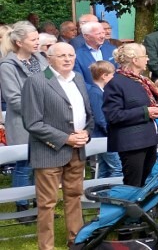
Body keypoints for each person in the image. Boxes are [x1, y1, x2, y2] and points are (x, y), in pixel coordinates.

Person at [20, 42, 93, 250]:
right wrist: (66, 138)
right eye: (62, 56)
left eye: (71, 55)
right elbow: (33, 123)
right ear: (49, 58)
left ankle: (76, 241)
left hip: (77, 150)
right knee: (47, 203)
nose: (68, 59)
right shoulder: (37, 81)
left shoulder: (78, 78)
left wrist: (86, 132)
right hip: (49, 151)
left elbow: (89, 115)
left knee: (75, 197)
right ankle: (46, 246)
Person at [0, 21, 48, 218]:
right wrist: (39, 110)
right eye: (33, 39)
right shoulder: (7, 66)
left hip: (45, 120)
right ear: (19, 42)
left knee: (42, 164)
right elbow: (13, 98)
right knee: (24, 165)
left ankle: (40, 204)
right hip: (23, 122)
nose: (37, 42)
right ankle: (22, 207)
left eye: (38, 39)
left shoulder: (41, 60)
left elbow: (53, 83)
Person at [103, 43, 158, 187]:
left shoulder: (141, 80)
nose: (147, 59)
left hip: (148, 138)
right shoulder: (116, 83)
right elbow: (113, 115)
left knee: (148, 184)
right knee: (133, 185)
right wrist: (145, 112)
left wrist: (155, 111)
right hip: (131, 142)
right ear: (135, 60)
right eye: (145, 56)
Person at [87, 61, 123, 178]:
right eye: (112, 75)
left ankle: (100, 188)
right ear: (104, 76)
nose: (113, 78)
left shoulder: (99, 91)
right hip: (103, 136)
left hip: (103, 136)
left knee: (104, 168)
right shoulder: (95, 93)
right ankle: (114, 188)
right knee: (117, 168)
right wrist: (111, 132)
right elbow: (100, 118)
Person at [72, 21, 117, 87]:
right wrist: (96, 91)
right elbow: (80, 81)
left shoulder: (112, 49)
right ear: (86, 36)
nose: (102, 36)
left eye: (103, 33)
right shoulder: (77, 55)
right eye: (98, 34)